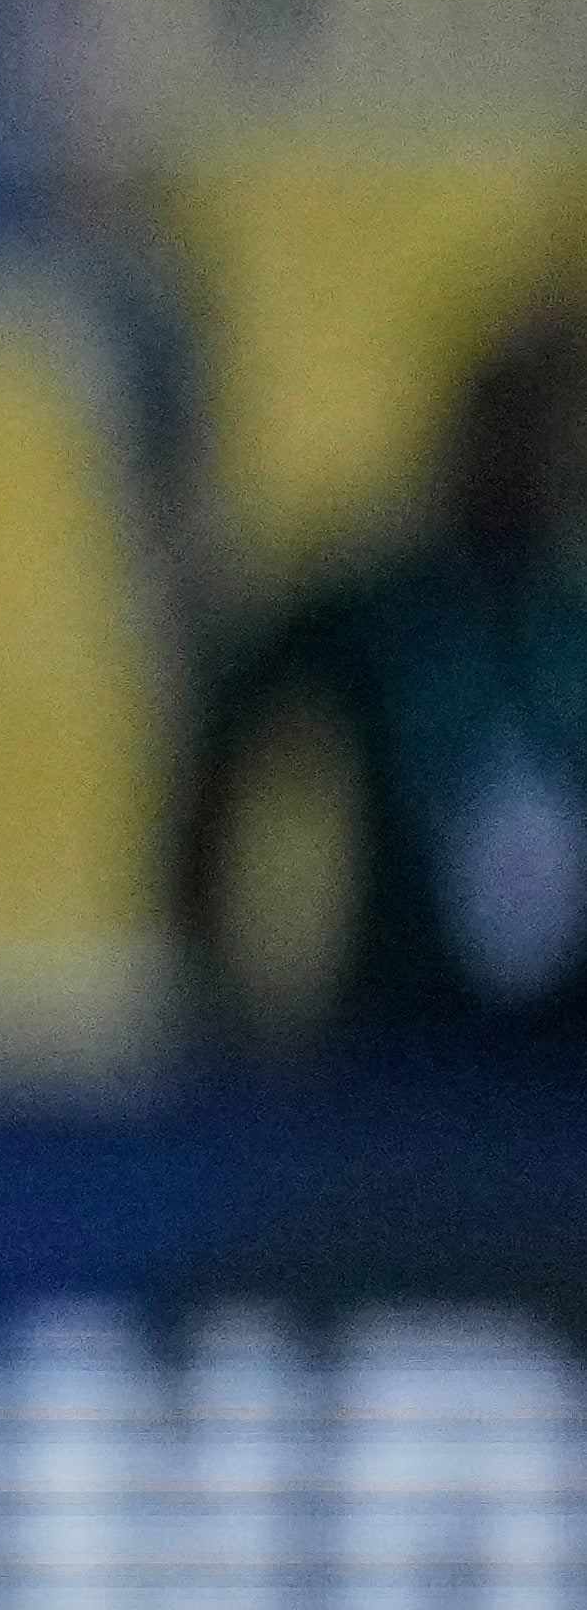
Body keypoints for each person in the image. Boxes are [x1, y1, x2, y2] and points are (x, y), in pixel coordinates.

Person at [173, 304, 587, 1072]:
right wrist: (219, 983)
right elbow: (228, 746)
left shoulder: (569, 611)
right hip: (398, 1050)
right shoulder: (376, 603)